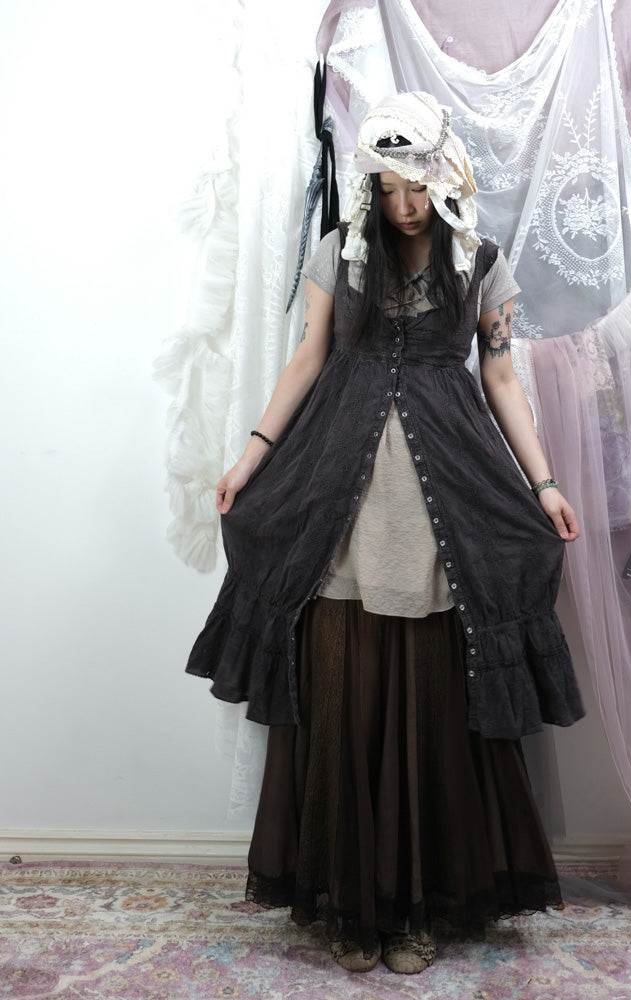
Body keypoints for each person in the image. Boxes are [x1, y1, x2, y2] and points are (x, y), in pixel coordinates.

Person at [187, 91, 584, 975]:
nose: (405, 205)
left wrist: (545, 484)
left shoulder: (481, 261)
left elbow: (502, 379)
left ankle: (419, 909)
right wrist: (250, 458)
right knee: (345, 684)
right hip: (342, 477)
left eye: (417, 187)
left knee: (436, 694)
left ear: (444, 176)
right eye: (390, 188)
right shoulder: (341, 251)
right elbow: (308, 357)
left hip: (447, 485)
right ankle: (350, 901)